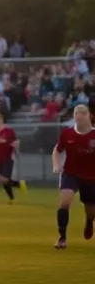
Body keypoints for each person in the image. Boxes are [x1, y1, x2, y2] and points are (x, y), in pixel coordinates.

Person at [52, 104, 95, 249]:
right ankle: (62, 238)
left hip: (90, 177)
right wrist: (56, 165)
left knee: (91, 210)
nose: (79, 116)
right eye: (76, 113)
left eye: (82, 113)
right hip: (70, 173)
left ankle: (89, 221)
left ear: (90, 116)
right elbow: (57, 151)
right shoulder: (67, 134)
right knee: (65, 202)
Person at [0, 111, 26, 204]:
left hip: (8, 158)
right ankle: (13, 196)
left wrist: (15, 144)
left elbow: (16, 142)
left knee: (4, 178)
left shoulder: (9, 131)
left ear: (1, 120)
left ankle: (17, 187)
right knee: (3, 180)